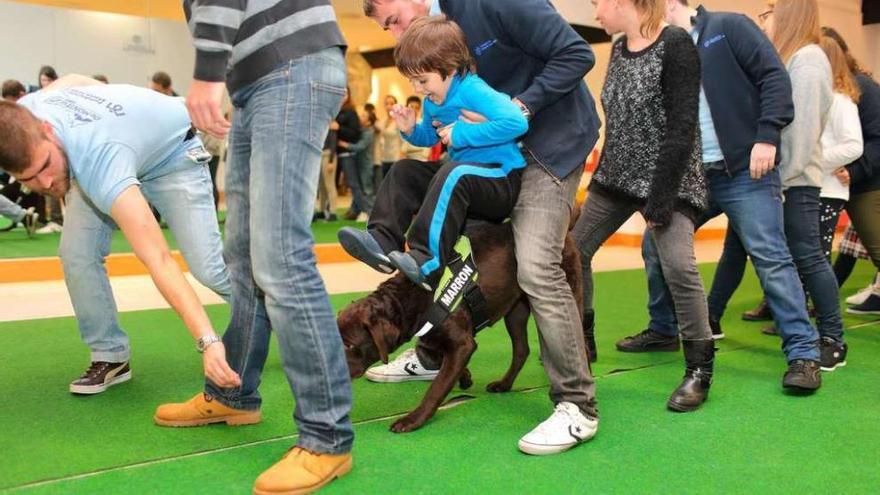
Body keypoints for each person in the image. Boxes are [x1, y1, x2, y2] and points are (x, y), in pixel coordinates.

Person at [363, 0, 601, 456]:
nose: (394, 33)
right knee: (438, 229)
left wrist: (518, 108)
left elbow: (578, 54)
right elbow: (439, 129)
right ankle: (432, 354)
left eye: (392, 20)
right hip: (487, 158)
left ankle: (577, 404)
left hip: (547, 147)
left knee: (536, 267)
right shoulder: (431, 46)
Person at [156, 1, 354, 493]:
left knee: (281, 258)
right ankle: (234, 392)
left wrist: (205, 74)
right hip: (256, 82)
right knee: (242, 257)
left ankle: (327, 436)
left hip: (290, 68)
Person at [630, 0, 824, 390]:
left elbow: (774, 78)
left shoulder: (729, 28)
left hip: (743, 171)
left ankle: (804, 355)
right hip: (692, 177)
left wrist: (767, 134)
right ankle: (664, 328)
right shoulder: (663, 50)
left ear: (668, 5)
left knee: (769, 255)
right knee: (656, 244)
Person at [0, 76, 233, 395]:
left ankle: (293, 320)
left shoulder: (99, 157)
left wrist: (208, 342)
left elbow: (159, 259)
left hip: (173, 157)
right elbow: (72, 80)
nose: (48, 182)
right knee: (77, 255)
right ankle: (110, 355)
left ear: (48, 131)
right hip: (96, 156)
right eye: (31, 179)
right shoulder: (24, 112)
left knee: (210, 269)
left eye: (45, 166)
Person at [574, 0, 714, 412]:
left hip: (667, 178)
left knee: (678, 266)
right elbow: (619, 122)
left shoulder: (676, 43)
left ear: (622, 3)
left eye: (598, 4)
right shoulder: (617, 48)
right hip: (617, 175)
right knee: (574, 249)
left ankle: (699, 371)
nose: (596, 13)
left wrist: (662, 196)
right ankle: (583, 341)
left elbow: (682, 124)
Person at [337, 15, 528, 293]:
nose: (417, 89)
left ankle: (426, 261)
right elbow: (431, 136)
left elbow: (517, 122)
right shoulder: (434, 99)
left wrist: (462, 133)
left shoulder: (473, 89)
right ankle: (382, 240)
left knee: (453, 171)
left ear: (448, 68)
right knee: (404, 169)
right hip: (464, 179)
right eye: (413, 81)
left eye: (422, 80)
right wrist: (411, 129)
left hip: (500, 178)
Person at [822, 27, 880, 315]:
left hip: (868, 183)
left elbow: (876, 138)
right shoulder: (831, 89)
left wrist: (856, 171)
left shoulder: (861, 89)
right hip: (847, 182)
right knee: (846, 247)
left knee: (875, 245)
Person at [35, 65, 64, 234]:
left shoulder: (59, 96)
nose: (45, 82)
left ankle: (57, 219)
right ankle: (54, 218)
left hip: (58, 146)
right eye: (42, 80)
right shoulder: (39, 98)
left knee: (54, 181)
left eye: (48, 79)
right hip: (45, 145)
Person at [378, 95, 403, 180]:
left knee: (394, 183)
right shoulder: (382, 120)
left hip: (396, 157)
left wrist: (402, 155)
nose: (389, 106)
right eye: (387, 103)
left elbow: (403, 140)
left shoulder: (399, 120)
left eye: (391, 103)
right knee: (385, 182)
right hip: (384, 157)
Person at [399, 95, 431, 160]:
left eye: (416, 108)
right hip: (406, 157)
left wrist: (425, 157)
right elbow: (402, 144)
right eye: (411, 107)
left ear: (419, 109)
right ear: (406, 107)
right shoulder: (403, 123)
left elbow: (427, 145)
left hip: (421, 157)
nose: (413, 110)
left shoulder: (423, 123)